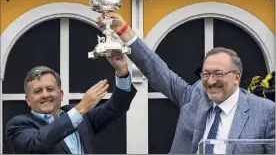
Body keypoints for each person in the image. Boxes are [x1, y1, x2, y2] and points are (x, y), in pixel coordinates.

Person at [104, 12, 275, 154]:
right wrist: (124, 32)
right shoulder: (196, 95)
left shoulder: (265, 112)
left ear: (236, 77)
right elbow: (159, 73)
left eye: (218, 74)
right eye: (206, 74)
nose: (210, 81)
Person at [6, 52, 136, 154]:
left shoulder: (80, 116)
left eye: (50, 89)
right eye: (38, 91)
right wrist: (81, 108)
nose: (45, 95)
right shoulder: (18, 125)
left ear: (61, 94)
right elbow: (36, 144)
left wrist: (122, 72)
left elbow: (116, 107)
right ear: (28, 100)